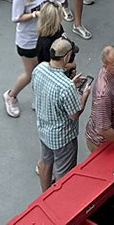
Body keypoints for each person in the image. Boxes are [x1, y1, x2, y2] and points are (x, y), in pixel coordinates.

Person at [32, 36, 91, 188]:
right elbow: (74, 114)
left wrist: (71, 84)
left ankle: (45, 194)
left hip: (43, 129)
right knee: (64, 175)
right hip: (62, 138)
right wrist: (84, 96)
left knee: (45, 163)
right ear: (66, 57)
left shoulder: (39, 69)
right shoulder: (66, 87)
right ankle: (59, 203)